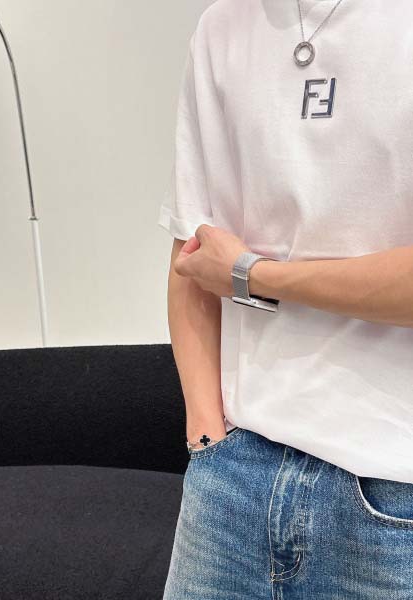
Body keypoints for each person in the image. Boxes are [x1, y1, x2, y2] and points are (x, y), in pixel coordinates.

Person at [157, 0, 413, 597]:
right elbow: (191, 255)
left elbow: (224, 268)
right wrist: (206, 437)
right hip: (233, 473)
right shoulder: (223, 26)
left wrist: (253, 274)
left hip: (396, 488)